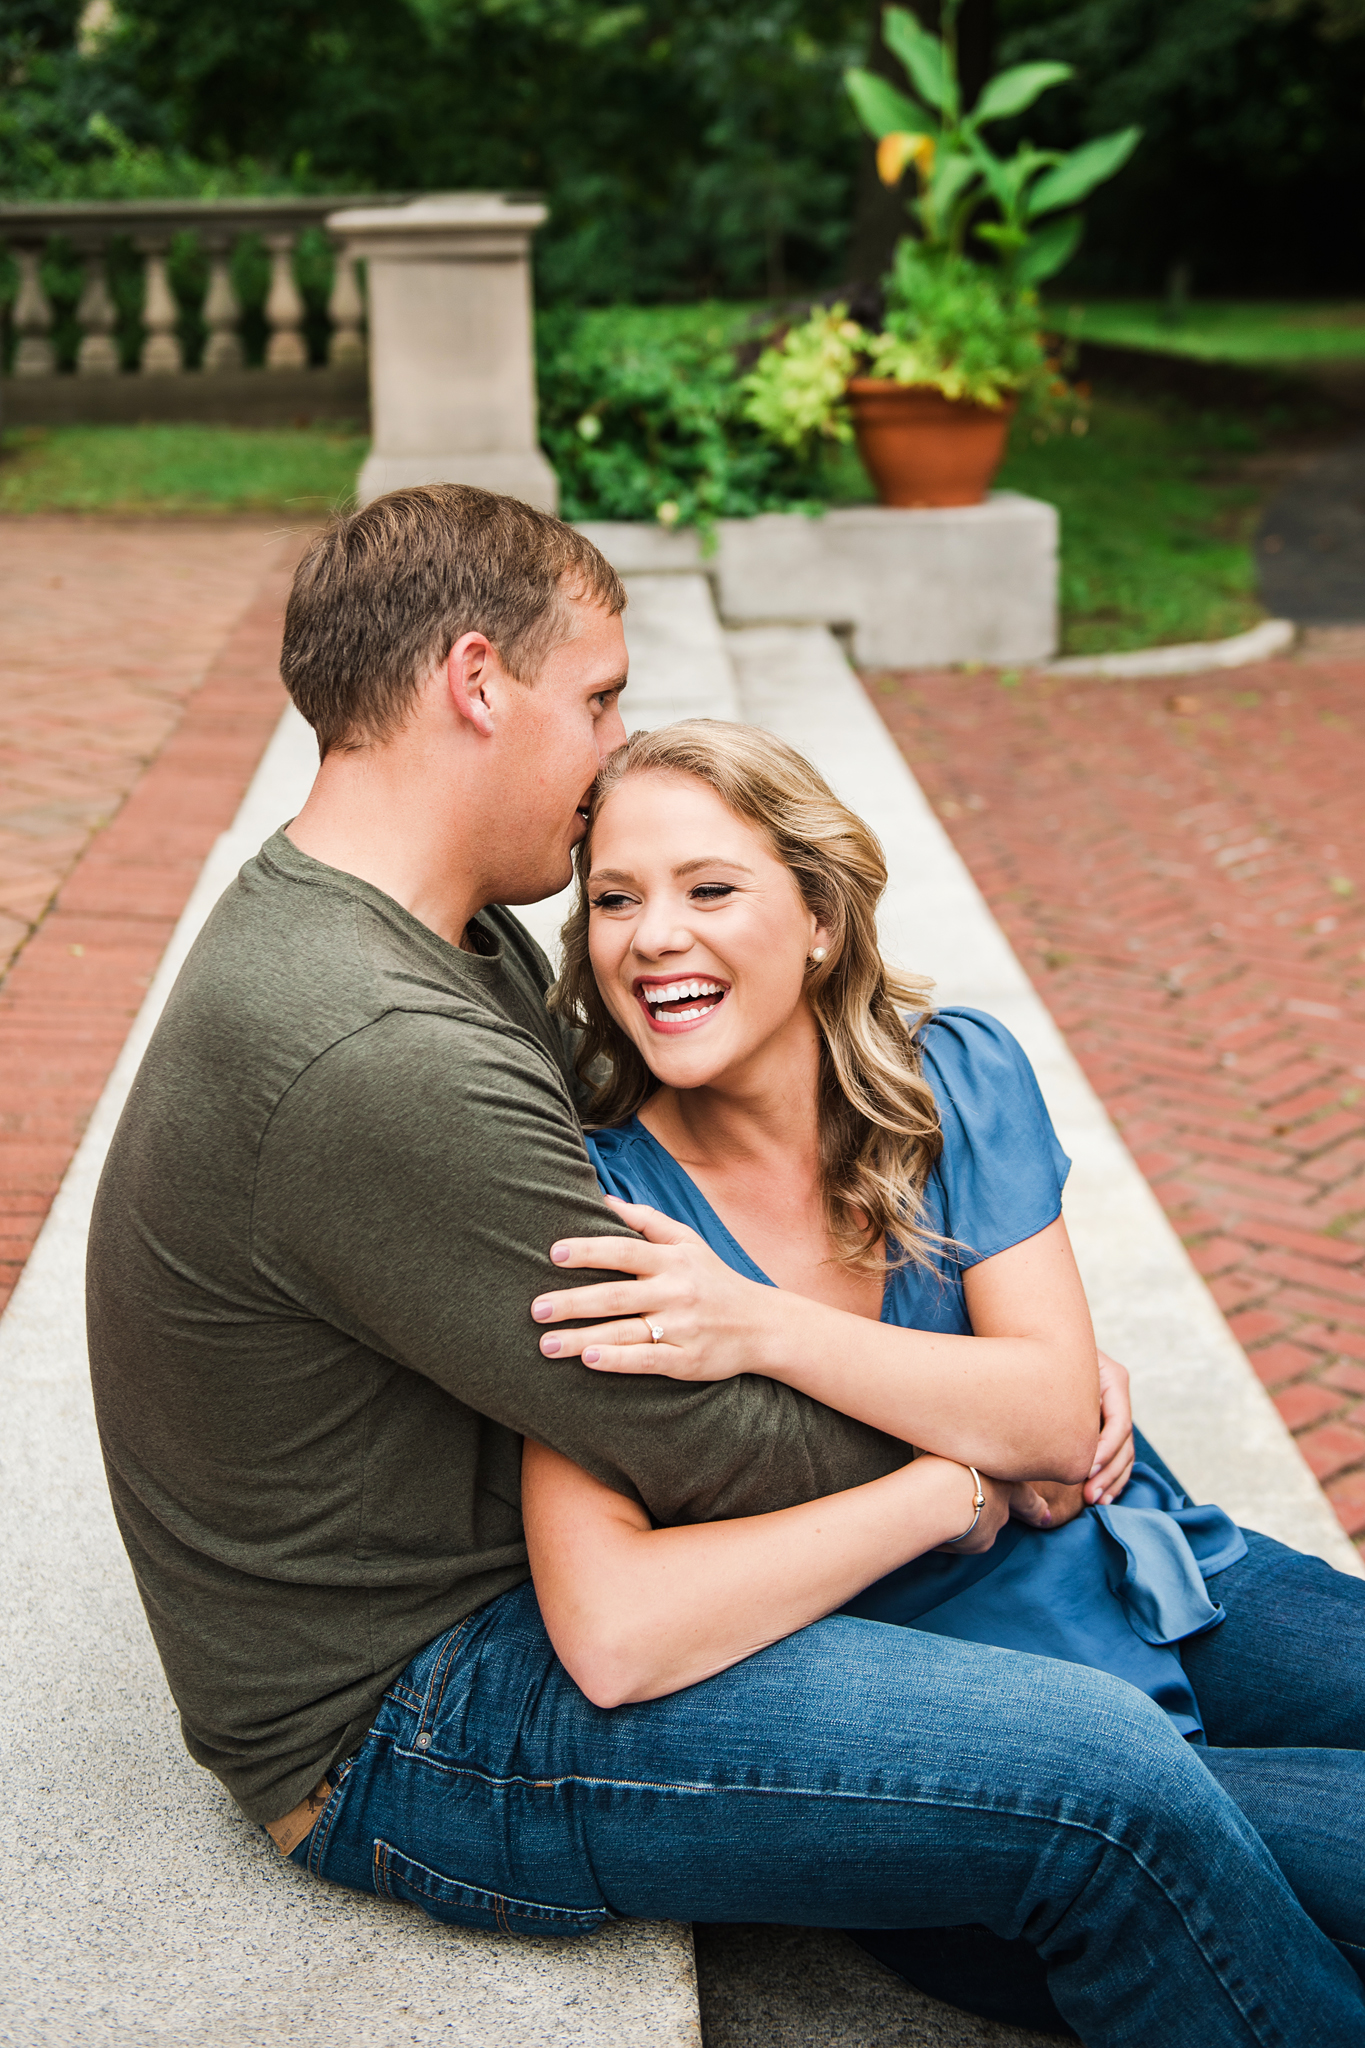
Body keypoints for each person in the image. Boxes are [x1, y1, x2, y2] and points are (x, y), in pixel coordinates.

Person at [86, 486, 1365, 2048]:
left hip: (537, 1572)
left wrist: (1024, 1404)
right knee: (1104, 1780)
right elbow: (679, 1440)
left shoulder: (453, 941)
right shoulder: (369, 1042)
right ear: (478, 684)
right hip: (416, 1714)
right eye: (600, 698)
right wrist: (1003, 1437)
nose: (609, 753)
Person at [523, 716, 1365, 2032]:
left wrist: (759, 1327)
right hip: (962, 1713)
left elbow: (1052, 1413)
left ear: (815, 917)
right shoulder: (602, 1206)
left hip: (1143, 1565)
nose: (650, 935)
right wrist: (959, 1471)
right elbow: (616, 1631)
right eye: (614, 900)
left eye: (709, 888)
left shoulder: (950, 1081)